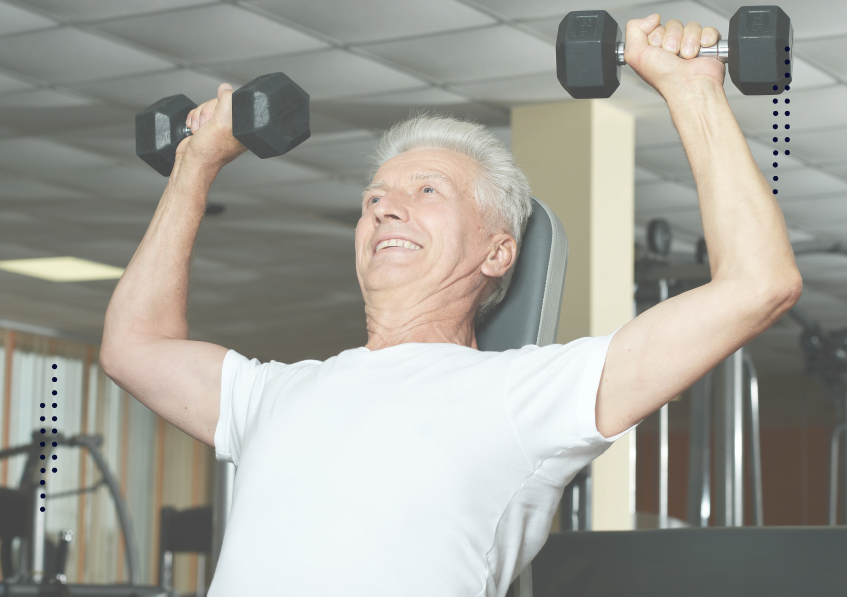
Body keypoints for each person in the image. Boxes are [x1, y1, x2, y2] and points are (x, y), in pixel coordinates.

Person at [101, 14, 802, 597]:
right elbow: (133, 347)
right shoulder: (273, 392)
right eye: (373, 198)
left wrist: (691, 91)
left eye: (426, 191)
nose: (384, 208)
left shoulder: (523, 394)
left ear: (497, 252)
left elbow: (756, 284)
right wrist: (193, 167)